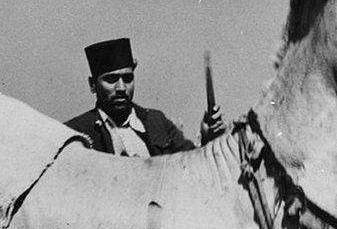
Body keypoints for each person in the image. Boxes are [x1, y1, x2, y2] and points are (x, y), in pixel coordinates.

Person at [65, 38, 225, 157]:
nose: (121, 88)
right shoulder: (76, 132)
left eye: (127, 78)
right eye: (111, 79)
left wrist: (208, 138)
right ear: (92, 85)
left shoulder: (157, 122)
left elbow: (189, 166)